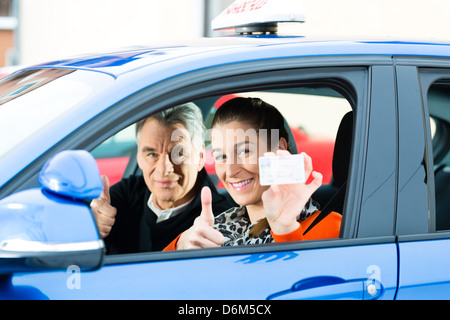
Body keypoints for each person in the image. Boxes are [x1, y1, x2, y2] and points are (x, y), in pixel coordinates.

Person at [163, 97, 341, 250]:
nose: (231, 171)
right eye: (221, 156)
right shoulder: (213, 231)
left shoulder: (332, 229)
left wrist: (285, 232)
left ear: (278, 148)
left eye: (244, 152)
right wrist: (181, 244)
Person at [91, 103, 236, 254]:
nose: (164, 169)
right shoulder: (127, 194)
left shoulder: (223, 217)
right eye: (152, 154)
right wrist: (90, 226)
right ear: (139, 158)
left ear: (200, 157)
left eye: (178, 154)